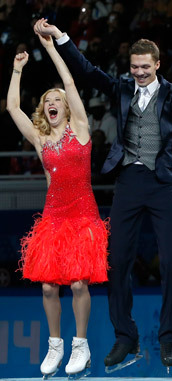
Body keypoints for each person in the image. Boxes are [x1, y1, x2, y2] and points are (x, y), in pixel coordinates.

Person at [34, 17, 172, 371]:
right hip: (127, 182)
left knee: (171, 262)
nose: (139, 72)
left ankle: (168, 336)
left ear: (157, 65)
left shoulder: (171, 91)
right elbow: (86, 71)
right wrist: (59, 36)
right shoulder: (121, 88)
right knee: (116, 262)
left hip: (162, 183)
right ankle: (125, 336)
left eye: (145, 67)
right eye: (134, 67)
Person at [9, 30, 109, 378]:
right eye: (47, 100)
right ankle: (56, 345)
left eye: (57, 99)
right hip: (53, 217)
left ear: (66, 106)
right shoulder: (41, 140)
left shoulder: (80, 128)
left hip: (83, 215)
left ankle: (80, 345)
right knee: (49, 285)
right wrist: (18, 70)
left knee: (79, 283)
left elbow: (68, 80)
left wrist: (51, 48)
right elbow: (11, 107)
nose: (51, 102)